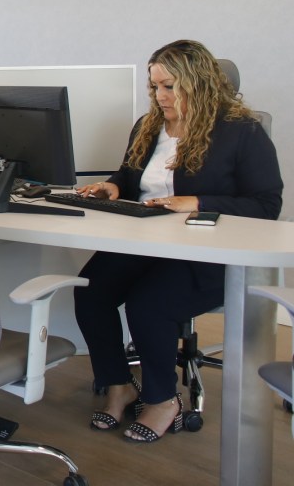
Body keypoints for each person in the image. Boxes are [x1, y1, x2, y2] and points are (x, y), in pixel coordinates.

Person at [73, 39, 282, 443]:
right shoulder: (148, 125)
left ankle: (163, 399)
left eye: (169, 86)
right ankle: (118, 385)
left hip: (206, 252)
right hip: (145, 244)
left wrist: (198, 201)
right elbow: (129, 176)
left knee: (149, 304)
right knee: (89, 290)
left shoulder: (241, 131)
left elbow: (266, 204)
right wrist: (113, 187)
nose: (160, 96)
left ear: (198, 82)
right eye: (154, 86)